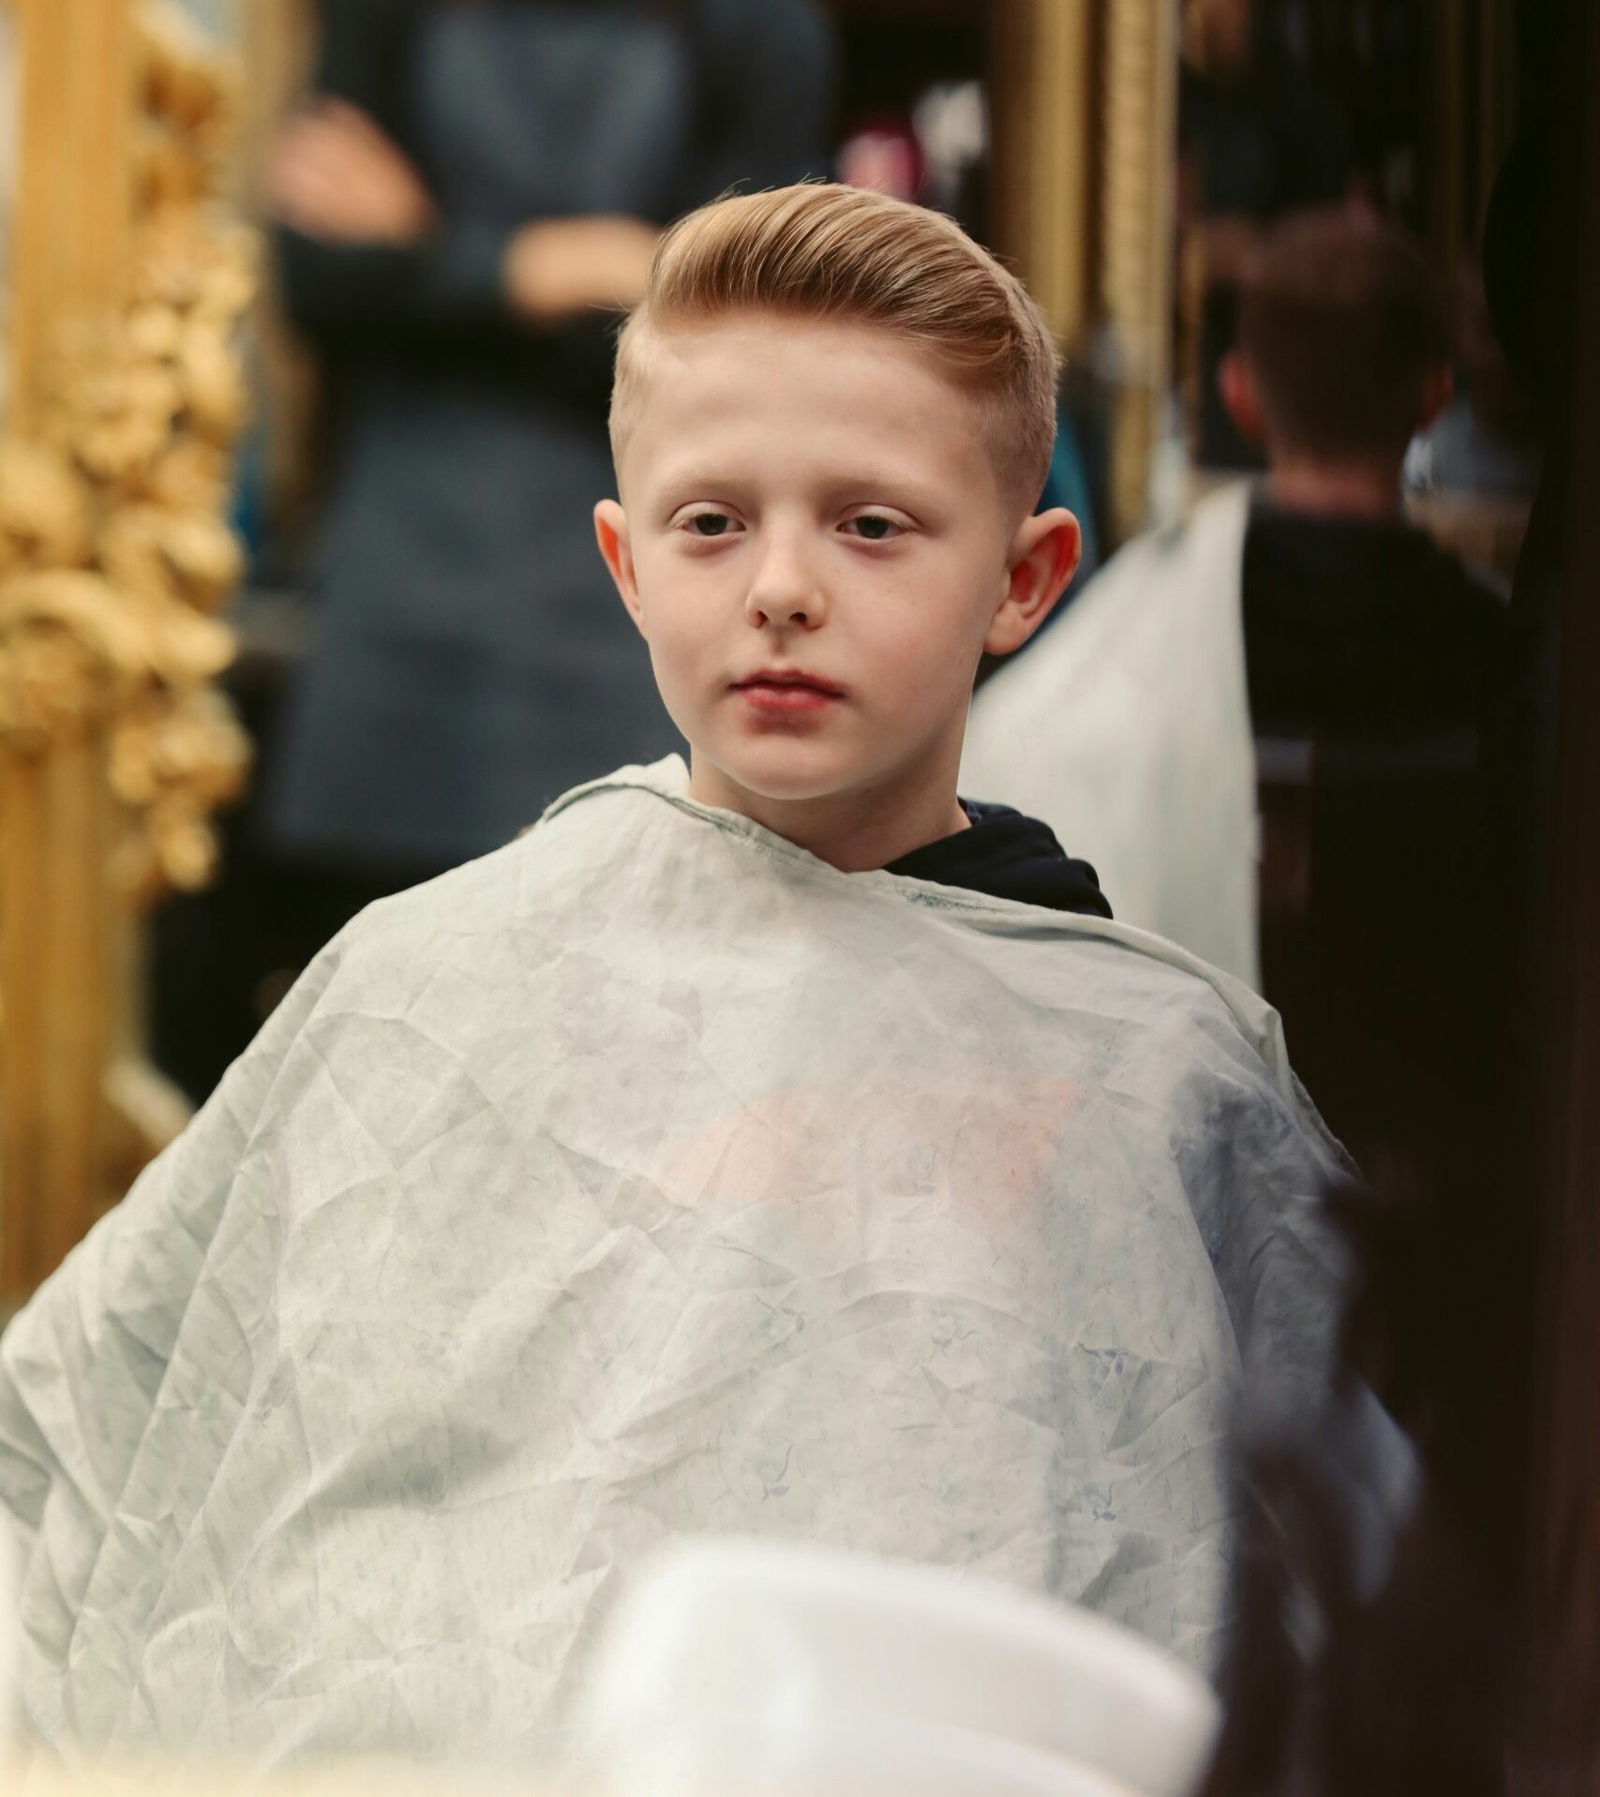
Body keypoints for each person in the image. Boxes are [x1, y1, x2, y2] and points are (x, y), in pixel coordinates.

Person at [0, 186, 1344, 1771]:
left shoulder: (1163, 1068)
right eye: (714, 523)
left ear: (1024, 577)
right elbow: (85, 1440)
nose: (782, 585)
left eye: (872, 523)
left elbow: (1339, 1575)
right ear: (627, 565)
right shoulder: (426, 982)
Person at [261, 0, 836, 939]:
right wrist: (557, 264)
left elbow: (730, 355)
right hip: (395, 605)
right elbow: (313, 283)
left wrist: (429, 255)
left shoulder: (753, 16)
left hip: (619, 617)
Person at [964, 210, 1505, 1148]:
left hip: (1178, 1112)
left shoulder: (1149, 639)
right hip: (1444, 1109)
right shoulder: (1490, 649)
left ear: (1241, 395)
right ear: (1434, 396)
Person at [1178, 0, 1355, 467]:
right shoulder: (1175, 100)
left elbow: (1330, 261)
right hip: (1186, 362)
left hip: (1277, 368)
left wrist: (1249, 251)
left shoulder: (1302, 111)